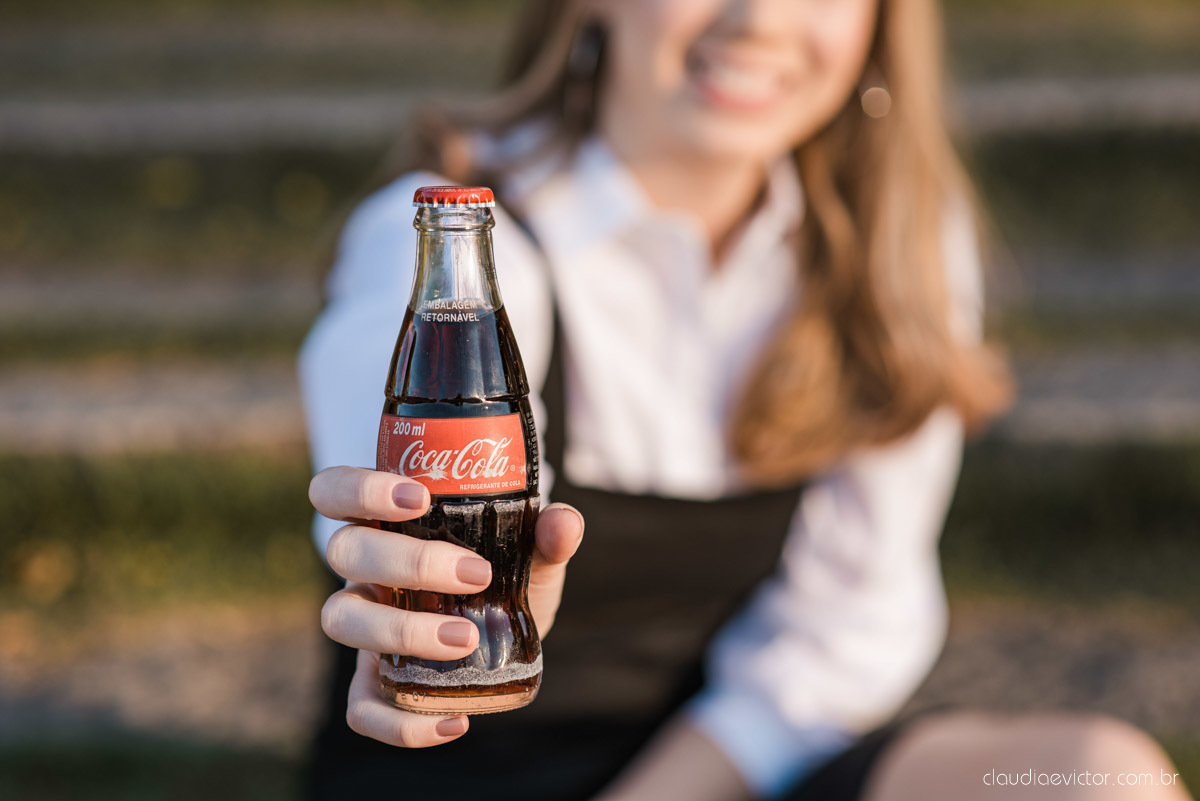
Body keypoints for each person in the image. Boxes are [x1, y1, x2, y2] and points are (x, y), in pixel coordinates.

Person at [299, 1, 1193, 800]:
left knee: (1101, 777)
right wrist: (399, 582)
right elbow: (387, 525)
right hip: (475, 767)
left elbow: (848, 626)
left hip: (736, 767)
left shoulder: (893, 246)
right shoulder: (447, 253)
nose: (761, 18)